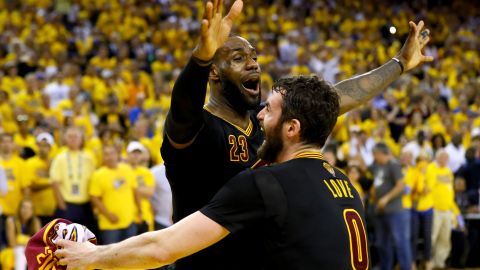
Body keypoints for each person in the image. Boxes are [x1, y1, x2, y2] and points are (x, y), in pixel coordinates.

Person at [160, 0, 432, 269]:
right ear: (215, 73)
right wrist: (200, 59)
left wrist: (399, 63)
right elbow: (183, 106)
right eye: (239, 58)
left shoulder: (268, 123)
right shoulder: (197, 127)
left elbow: (339, 97)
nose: (254, 64)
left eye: (254, 56)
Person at [57, 74, 369, 270]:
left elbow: (162, 248)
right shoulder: (346, 185)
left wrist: (92, 257)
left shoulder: (266, 183)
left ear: (292, 128)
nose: (259, 114)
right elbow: (328, 104)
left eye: (269, 110)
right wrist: (397, 65)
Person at [370, 142, 412, 270]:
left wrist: (386, 199)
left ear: (381, 153)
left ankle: (406, 268)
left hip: (396, 211)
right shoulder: (377, 165)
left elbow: (400, 186)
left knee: (401, 243)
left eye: (375, 154)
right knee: (382, 243)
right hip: (381, 212)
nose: (374, 157)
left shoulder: (393, 165)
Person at [89, 145, 141, 244]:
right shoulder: (98, 175)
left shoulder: (127, 169)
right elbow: (94, 197)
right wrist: (108, 215)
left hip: (130, 221)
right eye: (106, 154)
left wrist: (139, 209)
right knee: (111, 257)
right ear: (103, 157)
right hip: (109, 225)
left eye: (112, 153)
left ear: (117, 155)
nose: (110, 157)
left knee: (130, 254)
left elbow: (135, 190)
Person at [49, 127, 97, 235]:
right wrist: (61, 205)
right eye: (70, 136)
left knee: (86, 239)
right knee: (66, 239)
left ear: (81, 139)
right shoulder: (60, 158)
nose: (73, 139)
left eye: (76, 136)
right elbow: (54, 182)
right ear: (65, 139)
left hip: (86, 205)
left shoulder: (88, 158)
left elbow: (93, 182)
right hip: (68, 205)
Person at [25, 133, 57, 226]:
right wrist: (51, 183)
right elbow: (31, 186)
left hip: (54, 209)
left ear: (51, 148)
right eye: (40, 145)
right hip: (36, 210)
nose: (42, 148)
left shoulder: (55, 163)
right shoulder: (30, 163)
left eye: (46, 146)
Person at [3, 199, 41, 270]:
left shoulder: (35, 221)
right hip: (11, 251)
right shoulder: (11, 220)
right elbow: (12, 243)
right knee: (21, 252)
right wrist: (27, 243)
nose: (26, 211)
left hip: (29, 249)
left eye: (29, 208)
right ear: (19, 209)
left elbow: (38, 242)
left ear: (32, 211)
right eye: (24, 207)